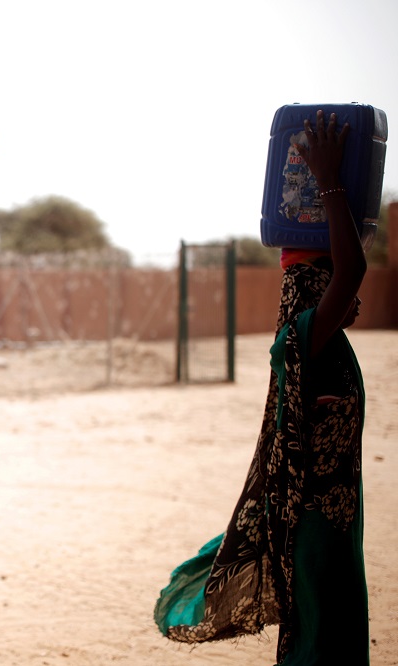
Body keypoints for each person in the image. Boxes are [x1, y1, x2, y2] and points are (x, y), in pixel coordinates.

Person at [155, 110, 369, 664]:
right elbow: (351, 272)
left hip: (335, 525)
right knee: (322, 640)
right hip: (316, 531)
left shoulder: (326, 342)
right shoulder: (302, 338)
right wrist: (328, 180)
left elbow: (348, 283)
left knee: (330, 633)